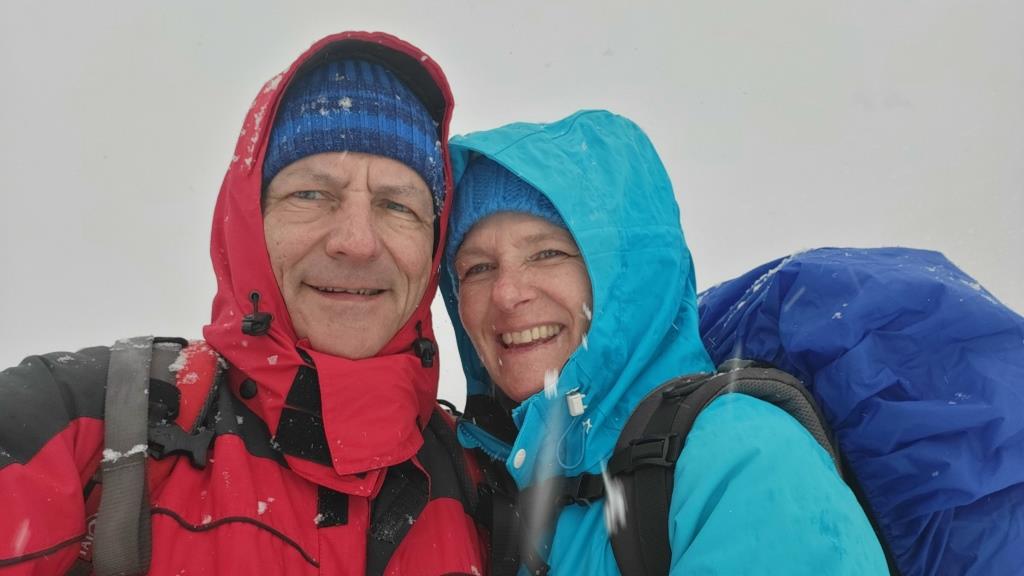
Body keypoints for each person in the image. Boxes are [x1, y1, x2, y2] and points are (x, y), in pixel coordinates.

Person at [0, 32, 487, 575]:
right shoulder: (86, 421)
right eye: (310, 194)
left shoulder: (483, 488)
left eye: (398, 205)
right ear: (250, 221)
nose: (356, 242)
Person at [439, 109, 888, 574]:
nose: (506, 293)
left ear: (629, 278)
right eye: (478, 267)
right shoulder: (493, 485)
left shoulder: (742, 459)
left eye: (547, 253)